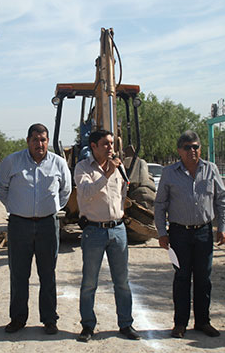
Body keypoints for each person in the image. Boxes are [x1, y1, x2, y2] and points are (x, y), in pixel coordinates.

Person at [0, 123, 71, 335]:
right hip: (19, 225)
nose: (40, 143)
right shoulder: (12, 161)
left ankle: (49, 319)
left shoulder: (58, 163)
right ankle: (18, 318)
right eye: (35, 139)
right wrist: (14, 206)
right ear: (28, 140)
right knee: (19, 274)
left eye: (43, 139)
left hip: (48, 224)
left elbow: (66, 190)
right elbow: (1, 187)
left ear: (48, 141)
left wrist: (53, 208)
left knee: (48, 274)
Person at [154, 130, 225, 339]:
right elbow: (160, 205)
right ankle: (180, 324)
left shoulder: (210, 169)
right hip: (179, 234)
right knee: (182, 278)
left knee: (204, 278)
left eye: (195, 146)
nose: (192, 151)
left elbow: (221, 199)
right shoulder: (169, 173)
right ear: (179, 150)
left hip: (204, 232)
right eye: (187, 147)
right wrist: (162, 232)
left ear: (200, 148)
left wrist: (222, 227)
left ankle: (203, 321)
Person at [74, 130, 140, 342]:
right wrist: (107, 175)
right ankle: (87, 326)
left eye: (112, 143)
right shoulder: (82, 168)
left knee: (122, 282)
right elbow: (85, 193)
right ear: (93, 146)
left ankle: (126, 324)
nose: (110, 148)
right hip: (93, 231)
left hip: (118, 230)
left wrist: (118, 216)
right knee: (89, 282)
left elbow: (122, 194)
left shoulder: (119, 167)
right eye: (105, 144)